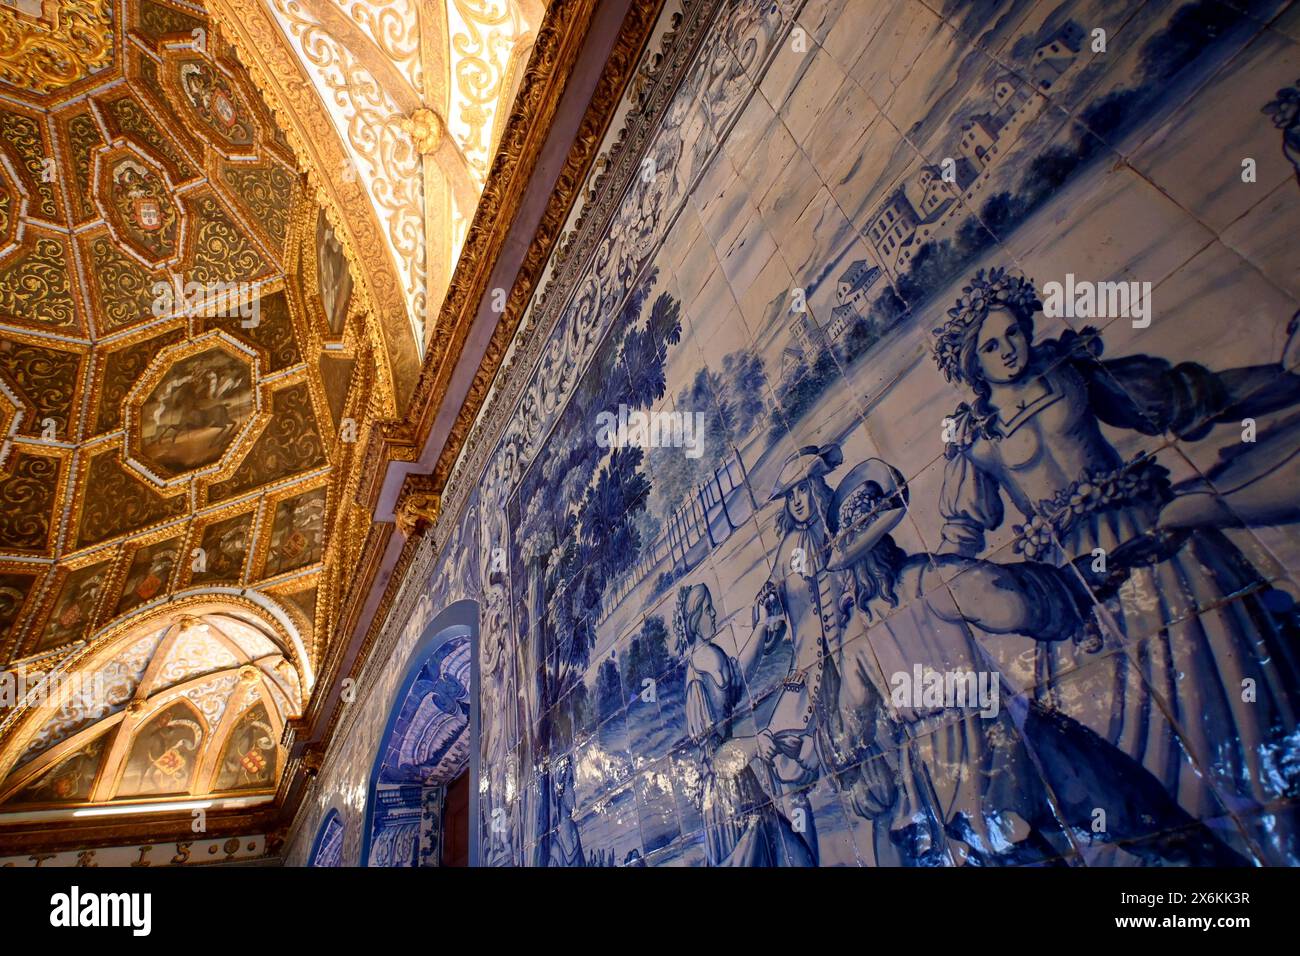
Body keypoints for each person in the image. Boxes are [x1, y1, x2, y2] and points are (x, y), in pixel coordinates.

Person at [933, 267, 1300, 838]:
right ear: (972, 365)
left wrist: (1285, 380)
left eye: (1012, 334)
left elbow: (1187, 400)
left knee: (1215, 661)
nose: (1007, 351)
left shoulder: (1069, 372)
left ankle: (1260, 797)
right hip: (1077, 582)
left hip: (1148, 534)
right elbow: (960, 541)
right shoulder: (977, 442)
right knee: (1121, 712)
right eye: (990, 346)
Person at [827, 459, 1251, 866]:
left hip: (939, 773)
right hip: (1001, 732)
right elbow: (1010, 606)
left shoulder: (855, 639)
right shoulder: (926, 579)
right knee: (1140, 815)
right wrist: (1070, 583)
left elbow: (854, 717)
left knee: (1024, 847)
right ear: (887, 542)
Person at [676, 582, 813, 866]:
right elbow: (714, 757)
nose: (714, 614)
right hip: (725, 799)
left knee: (792, 853)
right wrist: (754, 744)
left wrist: (762, 625)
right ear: (694, 619)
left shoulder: (712, 656)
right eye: (708, 609)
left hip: (740, 780)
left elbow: (739, 679)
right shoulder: (695, 683)